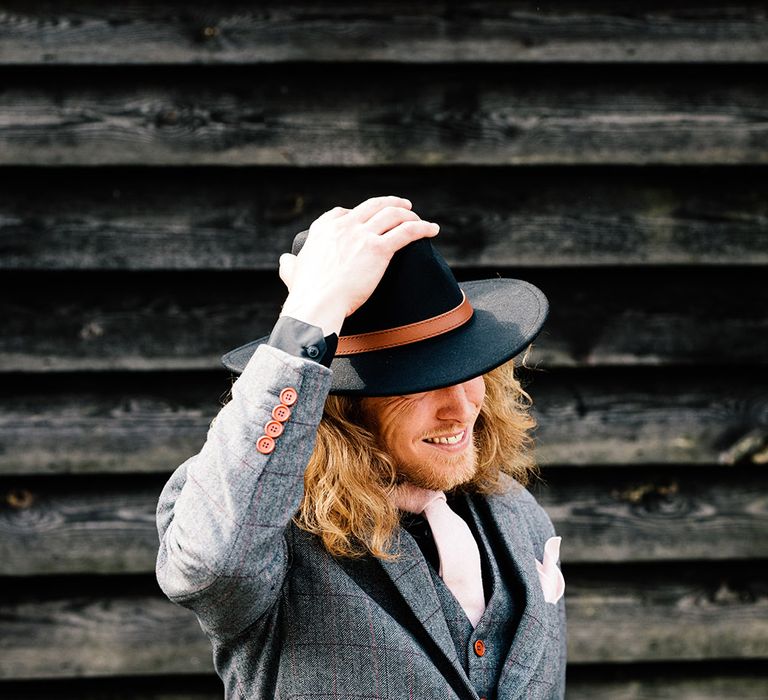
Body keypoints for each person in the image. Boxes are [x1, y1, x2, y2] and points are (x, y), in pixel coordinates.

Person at [155, 195, 567, 699]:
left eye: (469, 370)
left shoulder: (518, 515)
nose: (461, 408)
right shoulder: (271, 534)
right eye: (422, 383)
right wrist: (310, 316)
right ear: (344, 405)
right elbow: (211, 565)